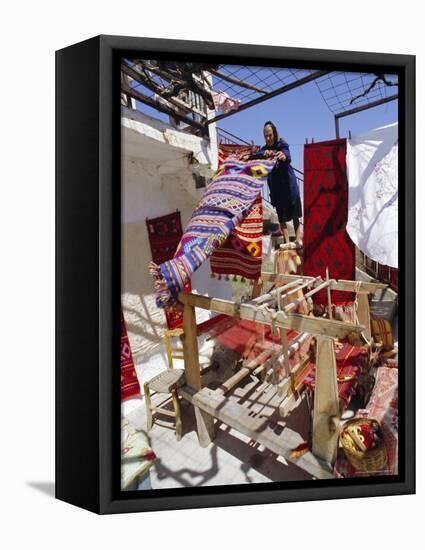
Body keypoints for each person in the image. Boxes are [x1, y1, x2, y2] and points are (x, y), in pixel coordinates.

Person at [249, 121, 302, 244]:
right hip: (277, 189)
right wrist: (263, 153)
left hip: (289, 186)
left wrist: (283, 156)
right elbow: (254, 156)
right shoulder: (264, 150)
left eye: (270, 135)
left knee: (295, 214)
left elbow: (287, 156)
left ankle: (298, 239)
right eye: (266, 136)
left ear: (275, 134)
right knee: (282, 217)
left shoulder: (281, 144)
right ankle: (287, 241)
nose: (268, 138)